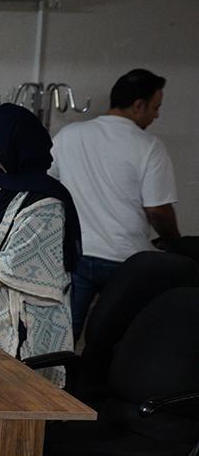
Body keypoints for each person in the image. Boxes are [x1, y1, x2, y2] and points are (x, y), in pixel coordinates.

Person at [51, 68, 180, 337]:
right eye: (155, 108)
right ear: (138, 105)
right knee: (112, 338)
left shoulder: (69, 135)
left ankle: (61, 367)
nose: (156, 115)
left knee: (64, 335)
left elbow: (48, 186)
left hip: (77, 254)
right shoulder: (149, 147)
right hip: (125, 261)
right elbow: (157, 210)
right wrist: (174, 241)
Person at [0, 103, 81, 385]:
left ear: (7, 142)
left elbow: (11, 266)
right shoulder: (0, 186)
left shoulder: (46, 201)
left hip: (21, 322)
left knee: (10, 393)